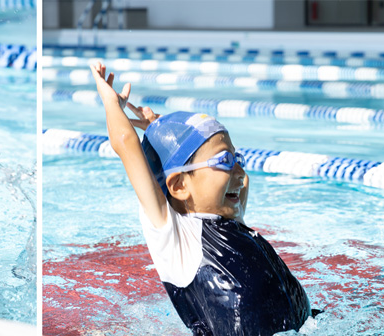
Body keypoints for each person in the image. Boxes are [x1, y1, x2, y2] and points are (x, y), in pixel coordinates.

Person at [90, 62, 316, 335]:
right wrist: (110, 103)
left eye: (237, 158)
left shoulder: (230, 218)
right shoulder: (177, 237)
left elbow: (216, 173)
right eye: (224, 161)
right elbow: (126, 144)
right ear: (179, 185)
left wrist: (158, 128)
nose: (240, 172)